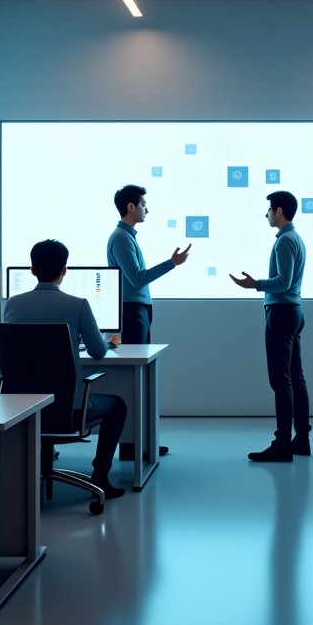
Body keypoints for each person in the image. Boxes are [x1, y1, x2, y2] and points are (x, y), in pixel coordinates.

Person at [4, 239, 128, 499]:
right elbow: (97, 351)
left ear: (32, 270)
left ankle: (32, 470)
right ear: (65, 270)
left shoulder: (13, 304)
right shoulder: (78, 304)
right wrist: (105, 339)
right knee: (117, 405)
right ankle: (101, 476)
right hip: (66, 410)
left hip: (22, 409)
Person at [107, 184, 190, 457]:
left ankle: (139, 443)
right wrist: (172, 263)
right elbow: (138, 278)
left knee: (140, 377)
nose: (146, 209)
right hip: (132, 310)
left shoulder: (127, 237)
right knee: (135, 378)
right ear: (131, 207)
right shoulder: (121, 238)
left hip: (138, 308)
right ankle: (132, 447)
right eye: (143, 204)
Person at [231, 191, 310, 462]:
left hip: (281, 313)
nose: (266, 215)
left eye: (268, 210)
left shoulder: (284, 241)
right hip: (294, 312)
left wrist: (255, 284)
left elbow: (283, 281)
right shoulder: (295, 238)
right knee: (295, 377)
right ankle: (301, 439)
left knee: (281, 380)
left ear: (278, 211)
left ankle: (282, 445)